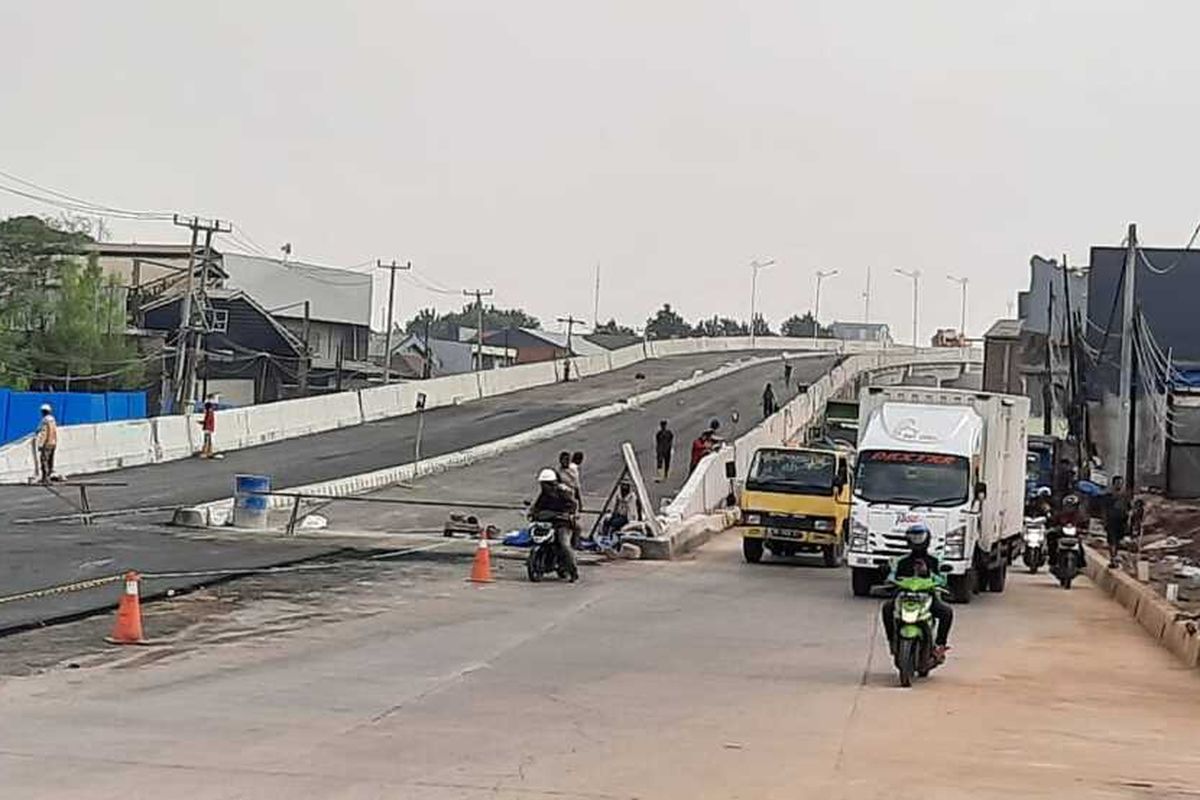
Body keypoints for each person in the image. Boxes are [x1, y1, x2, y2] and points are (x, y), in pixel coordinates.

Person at [881, 524, 954, 661]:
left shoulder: (934, 560)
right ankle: (891, 640)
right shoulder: (901, 561)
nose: (917, 540)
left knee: (947, 612)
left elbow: (942, 579)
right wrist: (888, 579)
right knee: (886, 608)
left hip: (927, 597)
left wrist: (928, 573)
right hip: (904, 596)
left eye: (920, 537)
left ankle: (939, 645)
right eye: (913, 537)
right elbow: (892, 576)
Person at [529, 467, 578, 580]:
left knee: (564, 544)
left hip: (561, 524)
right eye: (542, 484)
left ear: (552, 483)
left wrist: (568, 514)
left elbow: (572, 505)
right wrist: (533, 512)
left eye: (546, 484)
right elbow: (537, 506)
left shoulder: (564, 492)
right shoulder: (544, 495)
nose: (544, 487)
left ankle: (573, 570)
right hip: (547, 524)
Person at [1049, 493, 1088, 567]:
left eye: (1072, 506)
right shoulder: (1060, 515)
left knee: (1080, 547)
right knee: (1052, 541)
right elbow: (1053, 522)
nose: (1070, 508)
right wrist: (1054, 528)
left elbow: (1085, 525)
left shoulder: (1081, 516)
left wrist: (1083, 530)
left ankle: (1081, 562)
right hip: (1061, 535)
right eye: (1068, 506)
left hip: (1074, 536)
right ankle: (1052, 560)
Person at [1103, 476, 1131, 568]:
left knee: (1118, 541)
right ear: (1113, 484)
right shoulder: (1109, 495)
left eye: (1121, 483)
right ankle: (1113, 558)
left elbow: (1128, 508)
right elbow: (1105, 509)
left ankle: (1115, 557)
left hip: (1122, 521)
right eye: (1117, 483)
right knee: (1112, 541)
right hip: (1111, 521)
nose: (1119, 485)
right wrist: (1104, 520)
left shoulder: (1125, 496)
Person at [34, 403, 58, 484]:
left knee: (44, 460)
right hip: (53, 443)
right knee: (50, 460)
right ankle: (49, 476)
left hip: (47, 443)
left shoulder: (45, 421)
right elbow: (54, 431)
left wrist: (41, 444)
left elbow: (44, 433)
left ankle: (46, 478)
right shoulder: (53, 420)